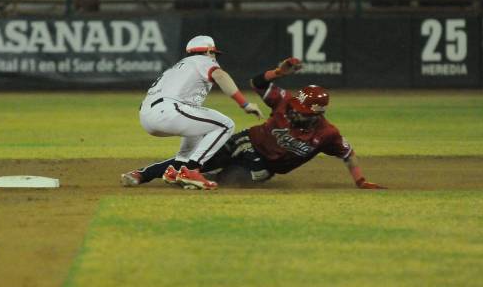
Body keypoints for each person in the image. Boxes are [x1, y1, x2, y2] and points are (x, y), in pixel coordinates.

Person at [124, 57, 384, 190]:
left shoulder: (327, 134)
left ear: (317, 114)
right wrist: (279, 73)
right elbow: (258, 83)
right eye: (297, 105)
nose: (296, 111)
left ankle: (191, 179)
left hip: (265, 165)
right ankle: (142, 174)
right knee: (197, 159)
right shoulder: (284, 100)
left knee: (232, 179)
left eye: (303, 110)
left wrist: (361, 181)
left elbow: (348, 155)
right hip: (246, 140)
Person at [121, 35, 263, 190]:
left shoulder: (178, 66)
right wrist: (245, 104)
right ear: (208, 51)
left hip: (148, 115)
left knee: (194, 138)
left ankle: (169, 171)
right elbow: (221, 75)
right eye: (214, 53)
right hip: (169, 110)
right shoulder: (203, 61)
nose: (215, 57)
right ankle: (191, 170)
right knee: (225, 125)